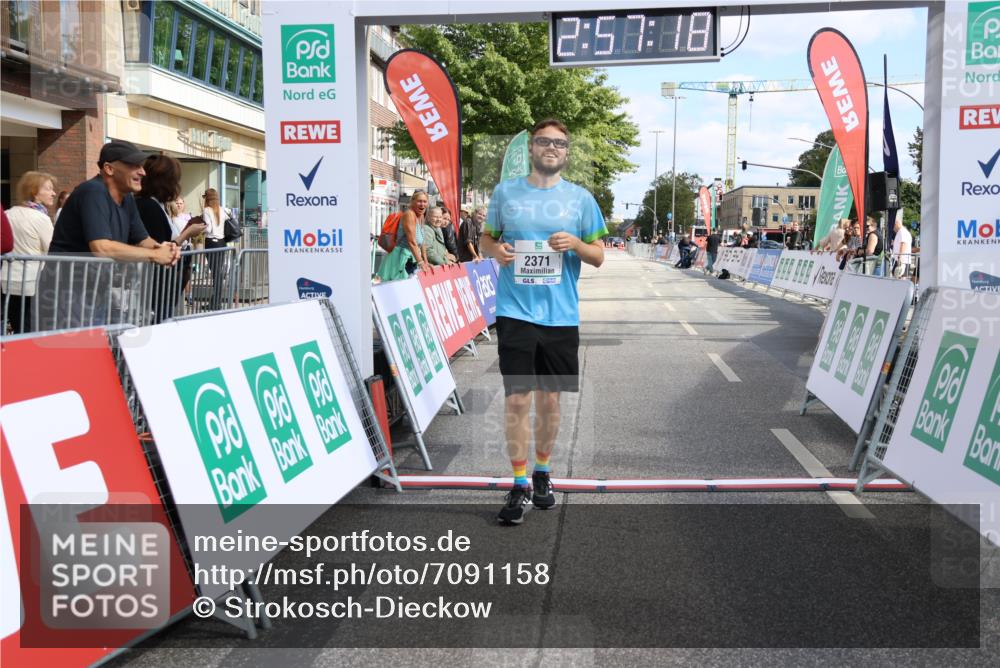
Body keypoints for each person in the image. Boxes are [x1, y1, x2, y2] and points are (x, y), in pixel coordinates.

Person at [480, 118, 607, 525]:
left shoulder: (581, 199)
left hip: (560, 315)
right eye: (544, 142)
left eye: (560, 143)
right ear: (531, 149)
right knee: (517, 398)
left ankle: (542, 473)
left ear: (567, 153)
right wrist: (495, 251)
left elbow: (600, 254)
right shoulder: (506, 192)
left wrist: (576, 244)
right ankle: (518, 483)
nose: (551, 148)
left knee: (549, 400)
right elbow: (486, 239)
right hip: (515, 310)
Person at [38, 140, 179, 329]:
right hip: (68, 292)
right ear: (109, 169)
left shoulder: (127, 197)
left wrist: (164, 249)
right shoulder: (93, 191)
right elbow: (101, 247)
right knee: (74, 354)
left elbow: (142, 239)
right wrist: (155, 255)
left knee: (93, 351)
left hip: (94, 290)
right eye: (134, 166)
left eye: (141, 166)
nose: (142, 172)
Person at [136, 156, 206, 321]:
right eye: (175, 180)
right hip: (156, 288)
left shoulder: (157, 205)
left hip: (164, 286)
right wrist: (186, 234)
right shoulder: (149, 206)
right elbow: (160, 249)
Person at [1, 172, 57, 332]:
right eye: (49, 189)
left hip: (7, 280)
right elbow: (51, 249)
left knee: (18, 328)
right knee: (32, 330)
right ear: (34, 191)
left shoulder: (7, 214)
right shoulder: (40, 218)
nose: (53, 193)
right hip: (33, 283)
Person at [376, 190, 430, 281]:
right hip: (399, 259)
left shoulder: (420, 216)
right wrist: (421, 262)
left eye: (425, 201)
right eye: (419, 201)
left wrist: (425, 260)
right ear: (412, 201)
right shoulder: (409, 214)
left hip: (411, 258)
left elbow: (422, 241)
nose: (422, 204)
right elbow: (412, 241)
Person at [201, 188, 233, 310]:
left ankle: (215, 303)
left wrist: (200, 227)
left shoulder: (207, 211)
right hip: (222, 243)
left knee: (216, 274)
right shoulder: (223, 210)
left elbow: (208, 230)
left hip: (211, 243)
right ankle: (216, 301)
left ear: (207, 199)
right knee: (218, 273)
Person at [891, 213, 913, 279]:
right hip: (902, 260)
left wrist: (900, 259)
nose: (893, 227)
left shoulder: (902, 232)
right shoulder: (902, 232)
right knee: (900, 279)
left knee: (900, 279)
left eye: (893, 225)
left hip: (902, 261)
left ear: (896, 223)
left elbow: (903, 244)